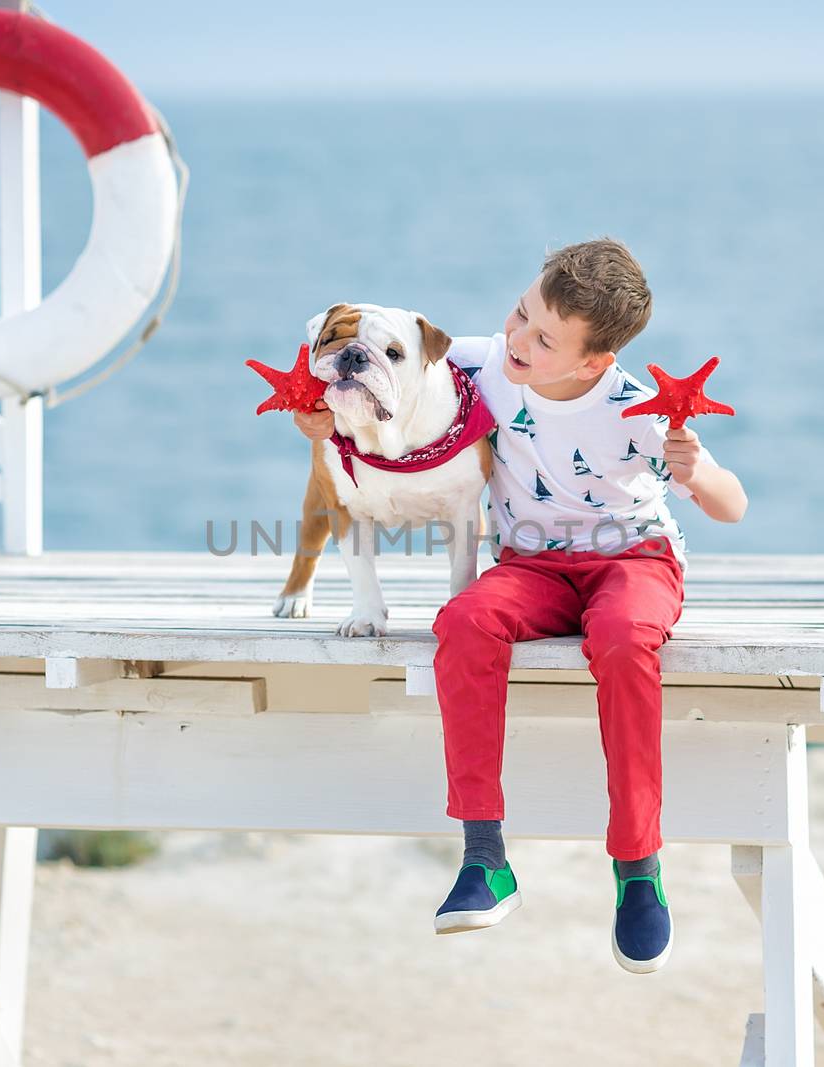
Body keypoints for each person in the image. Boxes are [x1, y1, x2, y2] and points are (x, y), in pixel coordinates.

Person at [294, 238, 747, 972]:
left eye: (542, 338)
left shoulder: (637, 409)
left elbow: (733, 504)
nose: (517, 339)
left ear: (592, 362)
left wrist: (701, 471)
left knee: (626, 640)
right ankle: (484, 856)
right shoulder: (480, 361)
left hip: (631, 562)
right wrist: (316, 415)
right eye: (520, 313)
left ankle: (638, 865)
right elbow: (362, 365)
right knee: (465, 620)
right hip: (533, 565)